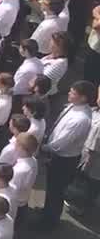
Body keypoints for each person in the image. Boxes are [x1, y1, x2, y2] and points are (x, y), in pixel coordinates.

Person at [37, 80, 95, 228]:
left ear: (83, 98)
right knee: (51, 189)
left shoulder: (81, 119)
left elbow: (62, 143)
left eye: (73, 93)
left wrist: (44, 147)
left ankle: (48, 222)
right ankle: (47, 211)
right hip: (58, 154)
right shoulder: (74, 107)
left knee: (55, 191)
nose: (69, 93)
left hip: (64, 159)